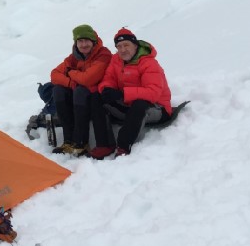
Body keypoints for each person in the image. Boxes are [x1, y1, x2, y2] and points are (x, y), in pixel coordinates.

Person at [90, 28, 172, 159]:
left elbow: (153, 93)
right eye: (119, 46)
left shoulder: (149, 63)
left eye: (126, 45)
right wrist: (106, 89)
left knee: (140, 104)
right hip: (129, 105)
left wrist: (122, 94)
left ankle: (123, 146)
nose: (122, 50)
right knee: (97, 97)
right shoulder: (116, 60)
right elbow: (108, 78)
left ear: (135, 45)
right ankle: (104, 145)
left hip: (157, 108)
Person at [50, 24, 111, 157]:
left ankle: (81, 142)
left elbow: (89, 79)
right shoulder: (74, 57)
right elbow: (54, 74)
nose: (83, 45)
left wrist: (70, 72)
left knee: (80, 91)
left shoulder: (103, 54)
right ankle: (68, 141)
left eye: (86, 41)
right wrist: (70, 82)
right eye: (80, 41)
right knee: (58, 90)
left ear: (93, 41)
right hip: (80, 95)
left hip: (96, 98)